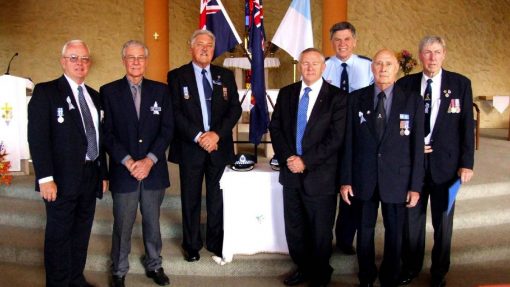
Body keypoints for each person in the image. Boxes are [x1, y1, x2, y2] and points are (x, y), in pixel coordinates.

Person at [339, 49, 424, 287]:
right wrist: (345, 180)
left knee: (394, 232)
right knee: (364, 231)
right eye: (378, 63)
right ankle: (366, 275)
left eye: (388, 64)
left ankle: (389, 276)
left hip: (398, 179)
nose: (383, 68)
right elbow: (348, 143)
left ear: (397, 68)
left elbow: (417, 147)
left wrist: (415, 186)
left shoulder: (412, 100)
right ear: (372, 67)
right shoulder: (356, 99)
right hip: (363, 178)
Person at [27, 40, 108, 287]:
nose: (80, 63)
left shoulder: (94, 96)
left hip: (90, 175)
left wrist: (103, 173)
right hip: (59, 180)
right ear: (63, 61)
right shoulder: (46, 92)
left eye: (84, 59)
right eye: (74, 58)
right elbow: (38, 137)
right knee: (59, 236)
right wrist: (45, 178)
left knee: (81, 233)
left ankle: (75, 279)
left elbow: (99, 138)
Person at [397, 36, 474, 287]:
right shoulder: (406, 84)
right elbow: (400, 123)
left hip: (447, 166)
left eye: (437, 52)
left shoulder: (460, 84)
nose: (432, 57)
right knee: (412, 221)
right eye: (427, 52)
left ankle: (439, 271)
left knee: (443, 222)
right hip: (413, 166)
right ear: (420, 56)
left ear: (444, 54)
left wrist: (467, 163)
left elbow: (466, 127)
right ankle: (411, 266)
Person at [269, 48, 347, 287]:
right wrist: (289, 158)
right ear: (299, 66)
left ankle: (321, 272)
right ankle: (302, 267)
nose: (310, 67)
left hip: (320, 176)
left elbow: (335, 139)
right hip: (291, 173)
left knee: (320, 230)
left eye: (315, 63)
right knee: (295, 227)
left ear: (324, 67)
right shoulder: (287, 93)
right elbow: (276, 129)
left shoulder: (337, 97)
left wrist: (306, 161)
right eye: (305, 63)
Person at [100, 40, 173, 287]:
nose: (135, 61)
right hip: (124, 171)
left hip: (153, 171)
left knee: (152, 222)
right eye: (130, 57)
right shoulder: (108, 91)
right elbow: (107, 133)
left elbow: (167, 130)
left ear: (146, 61)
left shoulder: (161, 91)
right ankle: (119, 270)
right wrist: (129, 161)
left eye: (140, 57)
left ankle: (155, 264)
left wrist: (149, 161)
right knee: (123, 223)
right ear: (123, 60)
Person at [167, 29, 241, 262]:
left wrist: (216, 135)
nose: (205, 48)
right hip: (191, 147)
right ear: (191, 47)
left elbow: (234, 109)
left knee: (217, 198)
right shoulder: (177, 76)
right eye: (200, 44)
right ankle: (191, 244)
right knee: (190, 198)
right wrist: (200, 136)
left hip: (218, 146)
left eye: (209, 45)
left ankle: (215, 241)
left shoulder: (225, 75)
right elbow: (174, 112)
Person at [322, 21, 374, 255]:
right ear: (332, 42)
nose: (342, 44)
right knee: (327, 188)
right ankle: (323, 237)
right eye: (337, 40)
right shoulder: (323, 66)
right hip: (329, 136)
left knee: (351, 189)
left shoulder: (369, 66)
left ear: (354, 41)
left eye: (346, 39)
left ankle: (344, 239)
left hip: (358, 137)